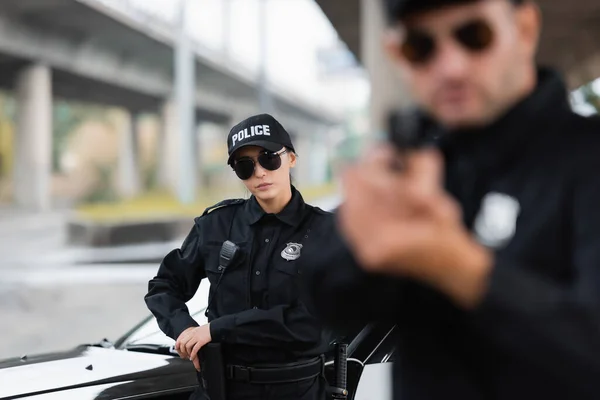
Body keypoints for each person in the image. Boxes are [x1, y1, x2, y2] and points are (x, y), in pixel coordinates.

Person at [301, 0, 600, 399]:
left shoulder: (587, 159)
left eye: (474, 36)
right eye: (422, 47)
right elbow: (326, 301)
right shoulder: (415, 160)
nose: (451, 67)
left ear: (524, 28)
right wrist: (360, 239)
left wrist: (464, 271)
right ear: (398, 54)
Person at [145, 113, 331, 400]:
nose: (259, 172)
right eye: (245, 166)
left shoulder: (326, 232)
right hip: (219, 390)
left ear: (291, 158)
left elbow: (310, 325)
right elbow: (164, 286)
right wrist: (185, 331)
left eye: (269, 158)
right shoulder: (215, 226)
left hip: (296, 390)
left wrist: (218, 330)